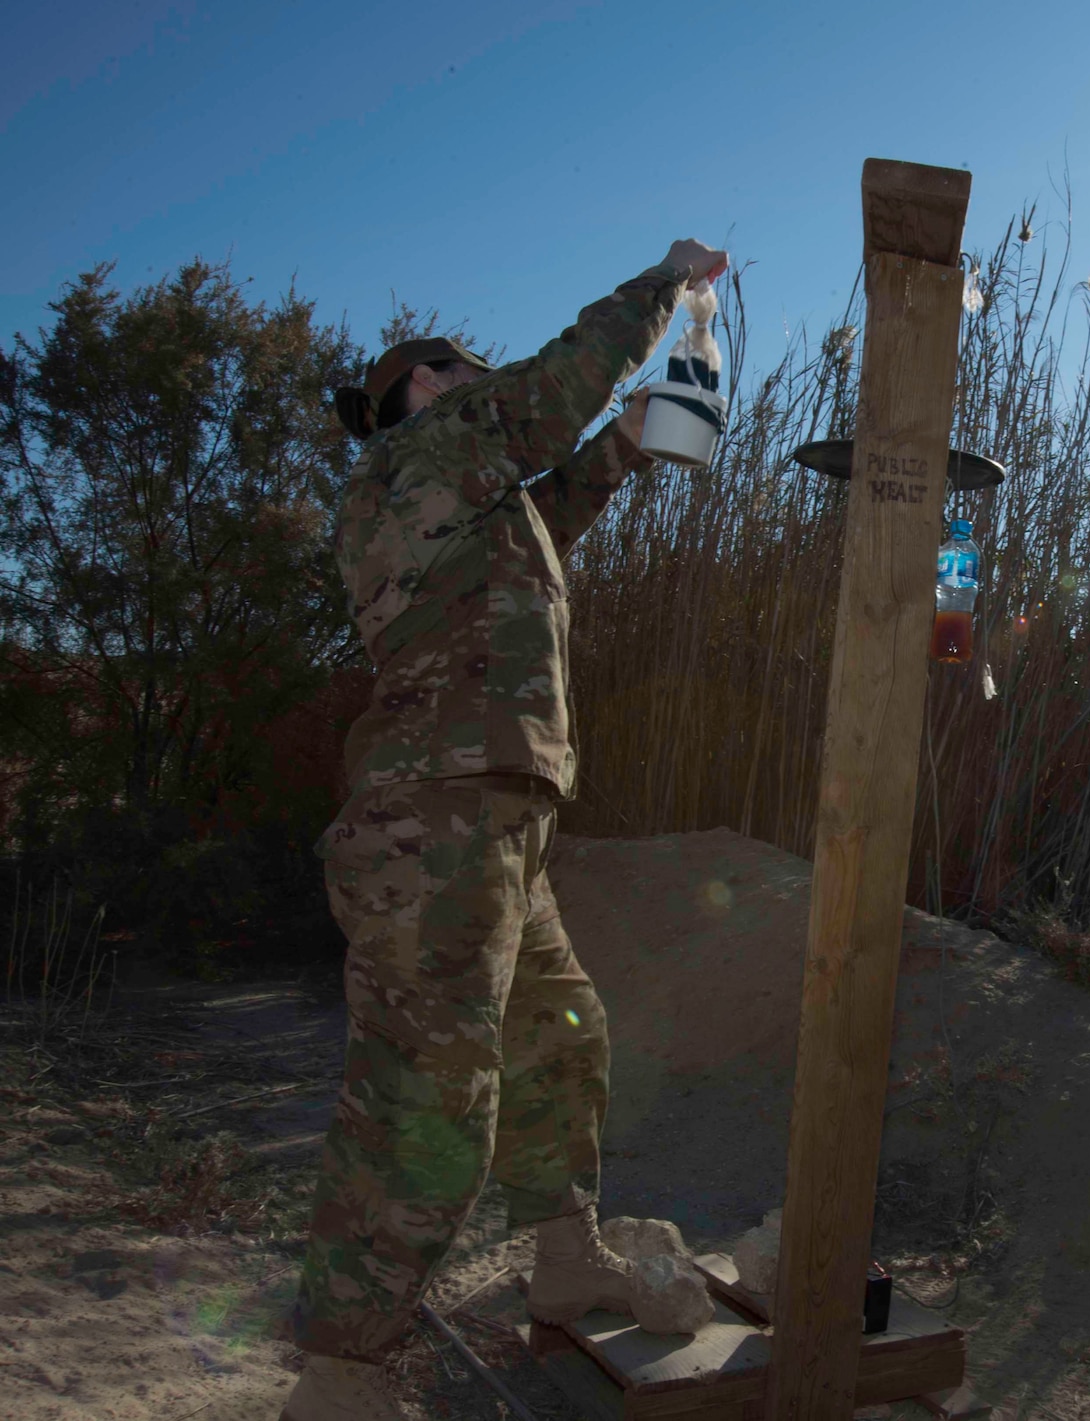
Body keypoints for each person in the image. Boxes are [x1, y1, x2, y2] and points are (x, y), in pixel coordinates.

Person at [285, 238, 728, 1421]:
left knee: (560, 1034)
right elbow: (546, 397)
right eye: (460, 363)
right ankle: (342, 1367)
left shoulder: (468, 495)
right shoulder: (411, 462)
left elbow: (559, 493)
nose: (476, 371)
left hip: (495, 810)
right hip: (434, 815)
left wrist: (637, 435)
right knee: (426, 1095)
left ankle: (566, 1247)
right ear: (421, 384)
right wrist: (666, 285)